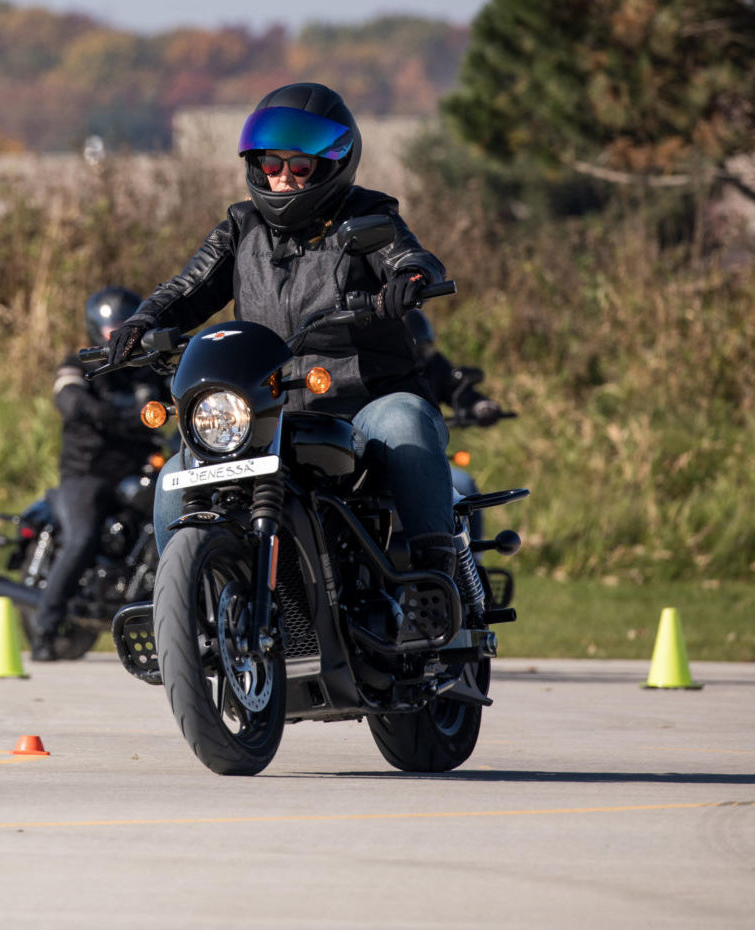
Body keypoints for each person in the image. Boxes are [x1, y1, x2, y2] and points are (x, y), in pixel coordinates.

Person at [106, 83, 462, 583]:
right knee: (172, 478)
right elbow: (188, 289)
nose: (283, 179)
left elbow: (408, 256)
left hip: (361, 403)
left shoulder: (367, 216)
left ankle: (433, 576)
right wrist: (142, 322)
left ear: (332, 163)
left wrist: (411, 278)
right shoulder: (240, 227)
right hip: (264, 411)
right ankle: (192, 607)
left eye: (299, 166)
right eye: (271, 165)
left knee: (405, 421)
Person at [29, 286, 167, 661]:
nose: (115, 335)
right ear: (95, 328)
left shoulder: (147, 371)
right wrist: (96, 410)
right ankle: (44, 627)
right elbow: (67, 395)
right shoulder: (80, 364)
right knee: (83, 537)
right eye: (110, 328)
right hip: (85, 476)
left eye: (123, 327)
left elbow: (179, 394)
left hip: (136, 473)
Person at [405, 308, 506, 537]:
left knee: (463, 486)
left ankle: (473, 562)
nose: (421, 355)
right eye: (417, 349)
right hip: (374, 460)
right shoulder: (372, 365)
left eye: (424, 349)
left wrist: (479, 406)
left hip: (428, 457)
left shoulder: (432, 365)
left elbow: (455, 387)